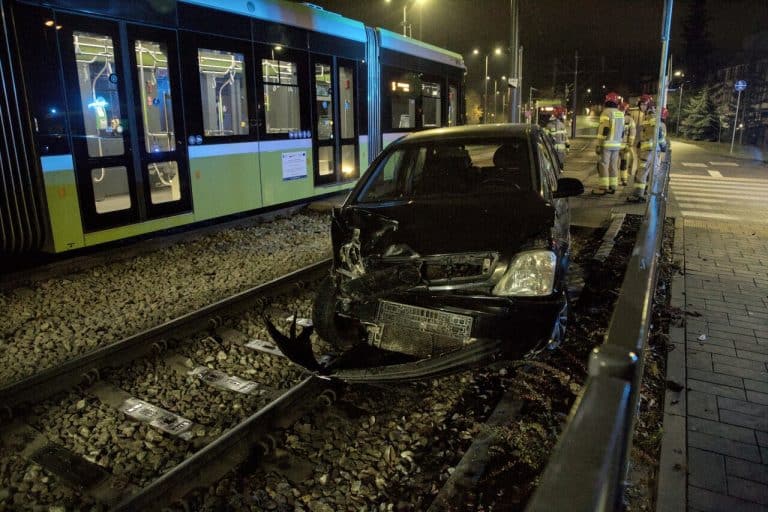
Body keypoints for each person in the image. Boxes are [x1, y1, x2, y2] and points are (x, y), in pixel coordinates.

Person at [627, 99, 668, 203]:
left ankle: (638, 196)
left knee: (642, 172)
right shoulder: (650, 117)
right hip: (652, 150)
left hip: (648, 150)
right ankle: (651, 194)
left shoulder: (651, 117)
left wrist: (663, 145)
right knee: (651, 173)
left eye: (645, 105)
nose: (642, 107)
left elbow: (657, 133)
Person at [593, 91, 624, 195]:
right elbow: (622, 131)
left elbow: (604, 129)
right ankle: (613, 186)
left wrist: (599, 144)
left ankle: (604, 187)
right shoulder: (620, 114)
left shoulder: (606, 112)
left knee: (604, 164)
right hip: (617, 145)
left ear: (607, 101)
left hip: (607, 144)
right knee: (614, 165)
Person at [619, 101, 637, 186]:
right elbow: (632, 133)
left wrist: (629, 144)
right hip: (621, 145)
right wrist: (630, 144)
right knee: (622, 163)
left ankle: (624, 179)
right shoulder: (629, 119)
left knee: (623, 163)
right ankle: (622, 179)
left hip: (621, 146)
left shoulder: (628, 119)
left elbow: (632, 133)